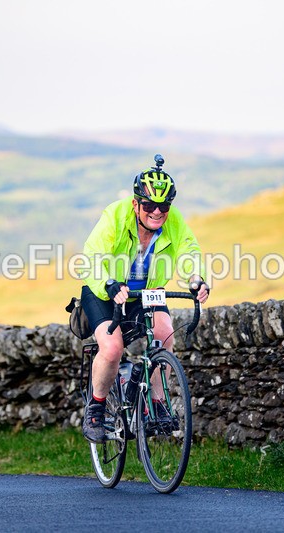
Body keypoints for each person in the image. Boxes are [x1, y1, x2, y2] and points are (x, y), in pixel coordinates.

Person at [79, 155, 209, 443]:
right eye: (149, 205)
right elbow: (91, 256)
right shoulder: (115, 215)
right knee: (112, 348)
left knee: (164, 335)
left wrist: (196, 279)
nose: (157, 212)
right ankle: (96, 409)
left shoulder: (174, 221)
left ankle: (158, 405)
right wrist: (108, 283)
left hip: (146, 292)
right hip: (105, 291)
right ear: (136, 204)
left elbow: (189, 251)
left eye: (164, 206)